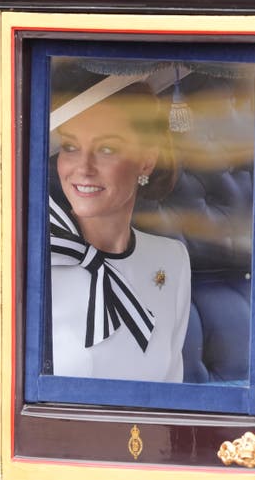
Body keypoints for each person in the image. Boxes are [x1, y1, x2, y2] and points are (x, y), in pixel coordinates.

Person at [49, 71, 191, 383]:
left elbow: (171, 395)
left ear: (146, 161)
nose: (83, 169)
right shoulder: (29, 261)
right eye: (70, 146)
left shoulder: (172, 260)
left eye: (107, 149)